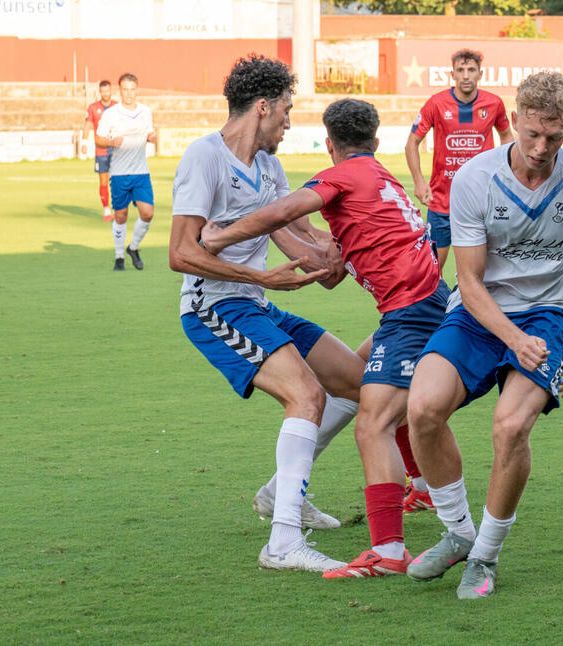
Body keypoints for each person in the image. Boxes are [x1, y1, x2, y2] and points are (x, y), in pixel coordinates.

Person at [200, 97, 450, 579]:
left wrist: (218, 238)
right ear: (376, 141)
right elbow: (334, 272)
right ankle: (295, 491)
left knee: (374, 423)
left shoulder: (341, 177)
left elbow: (282, 211)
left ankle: (393, 548)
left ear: (330, 144)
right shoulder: (381, 177)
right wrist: (327, 255)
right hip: (425, 302)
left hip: (412, 312)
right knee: (357, 381)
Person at [404, 71, 563, 600]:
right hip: (477, 313)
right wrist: (513, 339)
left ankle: (485, 557)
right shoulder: (476, 178)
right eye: (532, 133)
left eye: (554, 137)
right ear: (513, 120)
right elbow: (469, 282)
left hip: (545, 316)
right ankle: (458, 532)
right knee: (422, 409)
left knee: (511, 426)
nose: (541, 147)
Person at [167, 53, 366, 573]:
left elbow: (298, 236)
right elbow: (181, 253)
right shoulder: (204, 158)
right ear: (263, 106)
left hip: (257, 302)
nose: (288, 122)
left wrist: (345, 248)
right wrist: (262, 278)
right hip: (213, 306)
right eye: (286, 110)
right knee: (307, 395)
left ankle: (281, 494)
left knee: (358, 384)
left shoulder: (269, 167)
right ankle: (282, 543)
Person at [405, 49, 513, 272]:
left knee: (480, 271)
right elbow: (412, 144)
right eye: (460, 70)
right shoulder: (436, 103)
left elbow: (506, 136)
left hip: (481, 202)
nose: (465, 75)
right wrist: (419, 181)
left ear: (480, 74)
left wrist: (504, 172)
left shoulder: (493, 103)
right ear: (452, 74)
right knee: (432, 271)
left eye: (471, 70)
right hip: (442, 201)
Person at [94, 73, 159, 270]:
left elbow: (150, 133)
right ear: (120, 91)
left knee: (147, 213)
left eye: (132, 89)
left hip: (141, 172)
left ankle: (133, 247)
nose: (129, 93)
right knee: (121, 215)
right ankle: (119, 257)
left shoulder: (145, 111)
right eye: (125, 89)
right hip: (119, 173)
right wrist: (110, 142)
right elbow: (98, 139)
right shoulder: (111, 114)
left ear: (136, 90)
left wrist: (152, 137)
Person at [83, 80, 115, 221]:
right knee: (103, 181)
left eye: (107, 91)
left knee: (117, 181)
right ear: (100, 92)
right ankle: (106, 210)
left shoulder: (117, 107)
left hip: (116, 150)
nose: (105, 93)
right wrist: (84, 142)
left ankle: (117, 209)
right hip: (101, 151)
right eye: (103, 91)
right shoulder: (93, 107)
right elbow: (87, 125)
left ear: (111, 91)